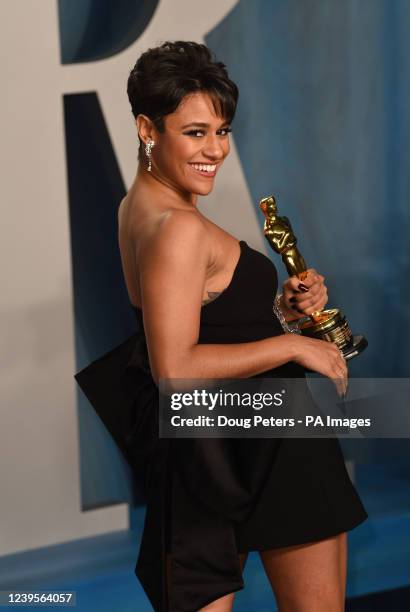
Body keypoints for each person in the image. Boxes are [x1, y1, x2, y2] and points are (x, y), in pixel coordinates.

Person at [93, 41, 368, 611]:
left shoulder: (137, 206)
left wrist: (278, 313)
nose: (214, 150)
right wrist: (295, 348)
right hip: (268, 436)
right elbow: (176, 368)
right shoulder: (178, 227)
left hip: (207, 443)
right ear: (148, 128)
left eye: (223, 131)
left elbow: (203, 321)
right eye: (195, 132)